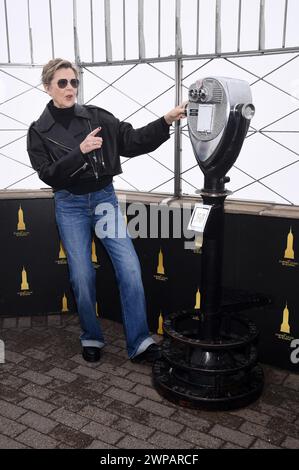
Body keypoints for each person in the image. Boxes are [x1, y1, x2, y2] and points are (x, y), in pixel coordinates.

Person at [27, 58, 186, 364]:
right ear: (47, 87)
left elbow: (133, 141)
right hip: (69, 204)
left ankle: (140, 343)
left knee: (129, 269)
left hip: (104, 200)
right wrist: (80, 151)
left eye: (74, 82)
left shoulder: (98, 117)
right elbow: (48, 174)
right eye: (62, 83)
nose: (70, 88)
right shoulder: (38, 131)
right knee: (82, 276)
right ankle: (91, 337)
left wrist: (166, 119)